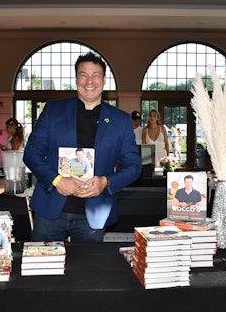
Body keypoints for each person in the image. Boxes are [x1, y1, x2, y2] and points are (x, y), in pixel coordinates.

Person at [23, 52, 142, 242]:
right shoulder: (53, 110)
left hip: (93, 213)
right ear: (76, 78)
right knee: (42, 267)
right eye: (83, 74)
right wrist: (56, 180)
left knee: (89, 269)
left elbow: (134, 167)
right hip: (51, 208)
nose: (89, 81)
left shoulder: (120, 121)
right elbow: (31, 152)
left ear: (103, 80)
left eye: (96, 75)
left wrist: (105, 182)